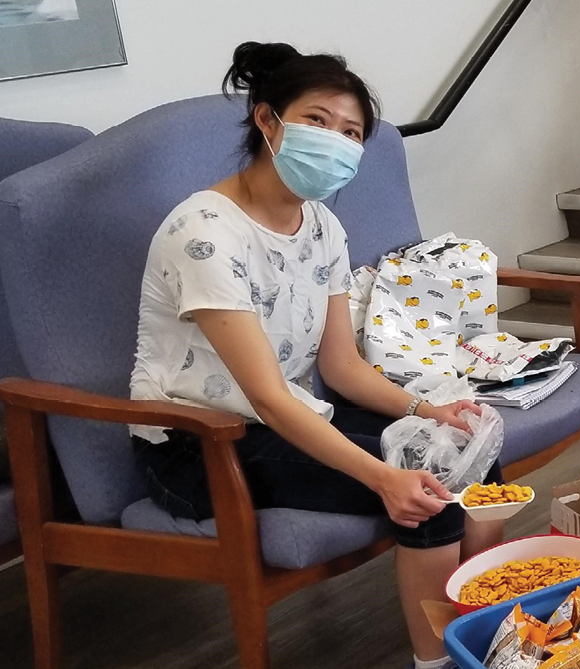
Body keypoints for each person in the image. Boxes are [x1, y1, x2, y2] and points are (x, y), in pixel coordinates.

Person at [129, 42, 502, 668]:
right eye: (317, 121)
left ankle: (482, 634)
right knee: (429, 492)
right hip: (198, 446)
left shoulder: (321, 225)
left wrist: (428, 411)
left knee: (470, 460)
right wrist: (384, 476)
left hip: (285, 417)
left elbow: (341, 368)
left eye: (351, 132)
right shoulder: (204, 234)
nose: (335, 140)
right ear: (266, 119)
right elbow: (268, 399)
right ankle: (439, 662)